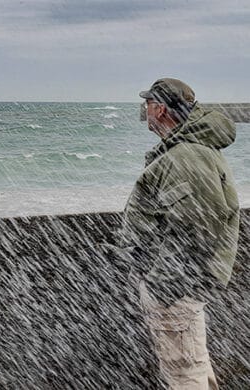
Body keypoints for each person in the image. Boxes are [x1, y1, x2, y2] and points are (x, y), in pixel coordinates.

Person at [115, 78, 240, 389]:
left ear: (160, 109)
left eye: (148, 103)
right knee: (193, 366)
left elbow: (198, 227)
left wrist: (164, 284)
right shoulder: (186, 151)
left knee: (185, 375)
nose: (145, 110)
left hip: (176, 287)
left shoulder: (185, 156)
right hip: (180, 284)